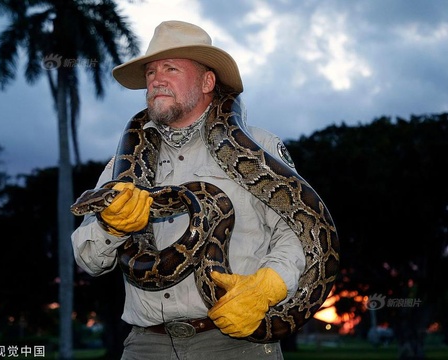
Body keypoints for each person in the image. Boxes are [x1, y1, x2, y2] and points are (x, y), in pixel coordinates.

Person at [71, 20, 305, 360]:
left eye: (170, 68)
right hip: (146, 344)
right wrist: (110, 228)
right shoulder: (122, 164)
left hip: (236, 343)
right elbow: (87, 258)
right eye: (150, 73)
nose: (156, 80)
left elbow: (296, 232)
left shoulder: (261, 146)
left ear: (207, 81)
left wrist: (271, 283)